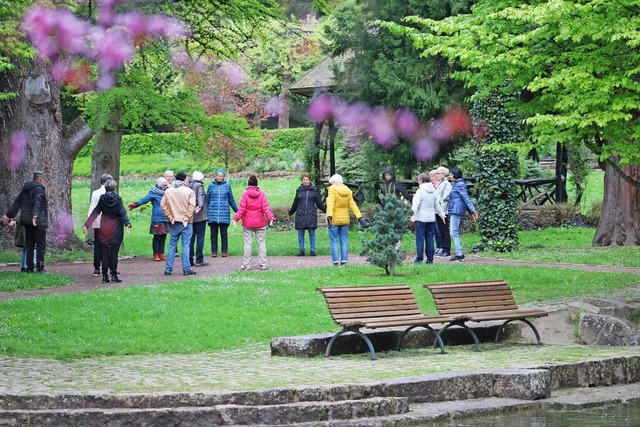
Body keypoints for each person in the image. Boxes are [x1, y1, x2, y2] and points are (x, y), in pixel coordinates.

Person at [82, 179, 131, 283]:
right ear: (114, 188)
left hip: (104, 226)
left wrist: (87, 225)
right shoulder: (117, 199)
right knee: (114, 252)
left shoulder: (102, 198)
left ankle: (104, 275)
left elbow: (96, 211)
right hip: (116, 227)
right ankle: (113, 274)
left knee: (104, 251)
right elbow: (122, 212)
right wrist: (127, 223)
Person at [6, 171, 49, 273]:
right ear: (40, 179)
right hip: (37, 221)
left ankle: (29, 268)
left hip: (26, 221)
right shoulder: (39, 189)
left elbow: (17, 202)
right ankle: (40, 267)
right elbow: (37, 202)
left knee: (29, 244)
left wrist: (9, 216)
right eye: (43, 179)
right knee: (40, 244)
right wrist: (35, 215)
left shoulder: (26, 188)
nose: (44, 181)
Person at [232, 175, 275, 271]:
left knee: (247, 244)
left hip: (247, 223)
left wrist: (235, 219)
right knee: (261, 243)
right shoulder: (262, 194)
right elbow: (266, 208)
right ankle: (264, 264)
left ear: (248, 184)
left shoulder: (245, 194)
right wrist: (271, 218)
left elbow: (241, 209)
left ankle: (246, 265)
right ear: (257, 184)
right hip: (260, 223)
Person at [325, 174, 366, 266]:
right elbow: (353, 206)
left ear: (334, 182)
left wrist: (329, 216)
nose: (330, 185)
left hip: (334, 219)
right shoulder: (348, 191)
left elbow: (330, 204)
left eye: (331, 183)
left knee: (334, 240)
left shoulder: (332, 190)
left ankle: (336, 261)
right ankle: (344, 261)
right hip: (345, 220)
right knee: (344, 240)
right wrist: (360, 217)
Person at [161, 172, 197, 276]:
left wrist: (170, 216)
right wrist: (186, 217)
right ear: (184, 180)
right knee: (186, 245)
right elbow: (191, 206)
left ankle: (168, 269)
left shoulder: (168, 191)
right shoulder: (190, 192)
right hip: (186, 222)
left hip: (174, 221)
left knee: (172, 245)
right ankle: (186, 268)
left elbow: (163, 205)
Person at [128, 177, 169, 262]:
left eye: (166, 185)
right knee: (157, 237)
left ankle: (161, 253)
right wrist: (135, 205)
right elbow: (144, 200)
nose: (166, 187)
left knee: (163, 236)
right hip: (157, 218)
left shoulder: (168, 192)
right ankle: (156, 254)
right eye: (164, 185)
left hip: (166, 217)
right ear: (159, 185)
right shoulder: (154, 193)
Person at [288, 172, 326, 256]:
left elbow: (319, 203)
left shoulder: (314, 190)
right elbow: (295, 202)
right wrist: (290, 212)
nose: (305, 181)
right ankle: (301, 250)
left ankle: (313, 250)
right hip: (301, 214)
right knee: (300, 233)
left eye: (307, 179)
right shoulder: (299, 190)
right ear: (302, 180)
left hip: (311, 214)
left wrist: (326, 210)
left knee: (312, 233)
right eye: (304, 179)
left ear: (309, 180)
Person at [411, 173, 445, 264]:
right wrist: (442, 214)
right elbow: (437, 205)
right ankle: (430, 259)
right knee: (430, 239)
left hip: (421, 218)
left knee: (420, 239)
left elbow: (415, 205)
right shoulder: (433, 190)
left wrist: (413, 214)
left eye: (418, 180)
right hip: (431, 219)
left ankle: (419, 258)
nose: (418, 182)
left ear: (421, 181)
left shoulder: (420, 191)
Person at [447, 167, 478, 262]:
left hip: (457, 210)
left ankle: (459, 254)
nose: (450, 176)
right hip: (455, 209)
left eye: (451, 174)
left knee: (453, 232)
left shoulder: (460, 184)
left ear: (455, 175)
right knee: (453, 232)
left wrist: (473, 211)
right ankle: (459, 253)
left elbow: (466, 198)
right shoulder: (457, 184)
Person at [207, 168, 238, 258]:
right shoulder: (211, 186)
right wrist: (206, 212)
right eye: (218, 175)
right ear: (215, 176)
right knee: (213, 234)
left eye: (221, 176)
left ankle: (224, 251)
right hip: (213, 214)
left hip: (224, 214)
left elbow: (231, 200)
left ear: (224, 177)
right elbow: (207, 200)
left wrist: (238, 211)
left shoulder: (227, 186)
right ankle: (214, 251)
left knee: (224, 234)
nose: (220, 177)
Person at [87, 173, 113, 276]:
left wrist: (89, 222)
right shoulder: (111, 193)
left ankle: (97, 268)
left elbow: (92, 207)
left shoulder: (95, 193)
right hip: (108, 223)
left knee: (98, 245)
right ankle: (110, 268)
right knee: (109, 245)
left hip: (97, 222)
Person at [188, 171, 209, 267]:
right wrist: (200, 205)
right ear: (201, 178)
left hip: (190, 216)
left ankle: (190, 259)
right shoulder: (199, 186)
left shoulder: (188, 185)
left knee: (191, 238)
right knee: (200, 238)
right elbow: (201, 196)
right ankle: (199, 259)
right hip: (200, 216)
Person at [435, 166, 452, 258]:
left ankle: (447, 250)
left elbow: (446, 196)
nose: (437, 175)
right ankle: (443, 248)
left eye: (438, 173)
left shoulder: (446, 184)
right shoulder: (439, 183)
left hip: (443, 210)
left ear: (443, 174)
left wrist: (439, 201)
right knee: (441, 230)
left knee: (444, 230)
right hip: (437, 210)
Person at [429, 169, 443, 253]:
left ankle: (441, 246)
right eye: (430, 177)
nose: (431, 178)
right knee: (434, 229)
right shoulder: (431, 185)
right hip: (432, 210)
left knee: (438, 229)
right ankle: (438, 245)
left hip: (438, 210)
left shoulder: (439, 185)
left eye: (432, 176)